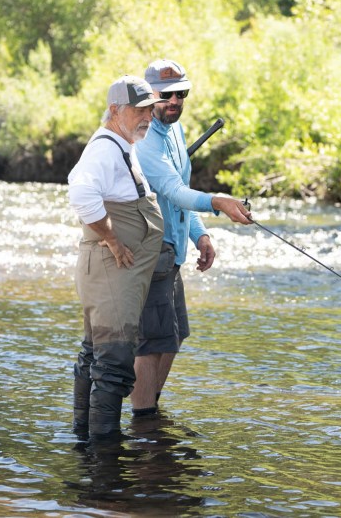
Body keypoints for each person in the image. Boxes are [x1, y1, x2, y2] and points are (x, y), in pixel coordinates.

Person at [131, 59, 253, 417]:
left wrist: (200, 235)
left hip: (173, 255)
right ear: (148, 95)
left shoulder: (175, 129)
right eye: (166, 95)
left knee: (174, 335)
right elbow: (172, 189)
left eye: (181, 93)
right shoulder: (144, 141)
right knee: (150, 344)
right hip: (152, 250)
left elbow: (179, 190)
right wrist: (218, 202)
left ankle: (150, 409)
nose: (174, 101)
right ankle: (144, 423)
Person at [67, 74, 164, 440]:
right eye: (139, 111)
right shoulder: (104, 149)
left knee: (96, 354)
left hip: (114, 274)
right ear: (114, 110)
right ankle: (104, 455)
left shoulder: (122, 145)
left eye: (149, 111)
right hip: (110, 270)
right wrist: (111, 238)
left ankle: (84, 443)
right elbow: (80, 192)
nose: (147, 118)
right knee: (113, 364)